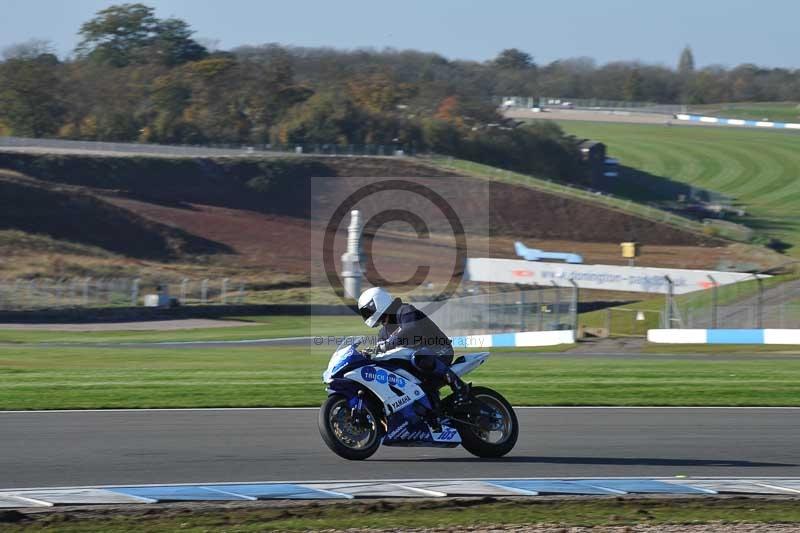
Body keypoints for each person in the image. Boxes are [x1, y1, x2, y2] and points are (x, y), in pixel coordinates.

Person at [357, 287, 470, 412]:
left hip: (440, 351)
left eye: (368, 311)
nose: (367, 315)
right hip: (417, 362)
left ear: (377, 303)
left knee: (419, 356)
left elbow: (410, 329)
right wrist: (368, 354)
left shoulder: (405, 311)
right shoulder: (383, 332)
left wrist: (387, 344)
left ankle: (459, 386)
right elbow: (381, 350)